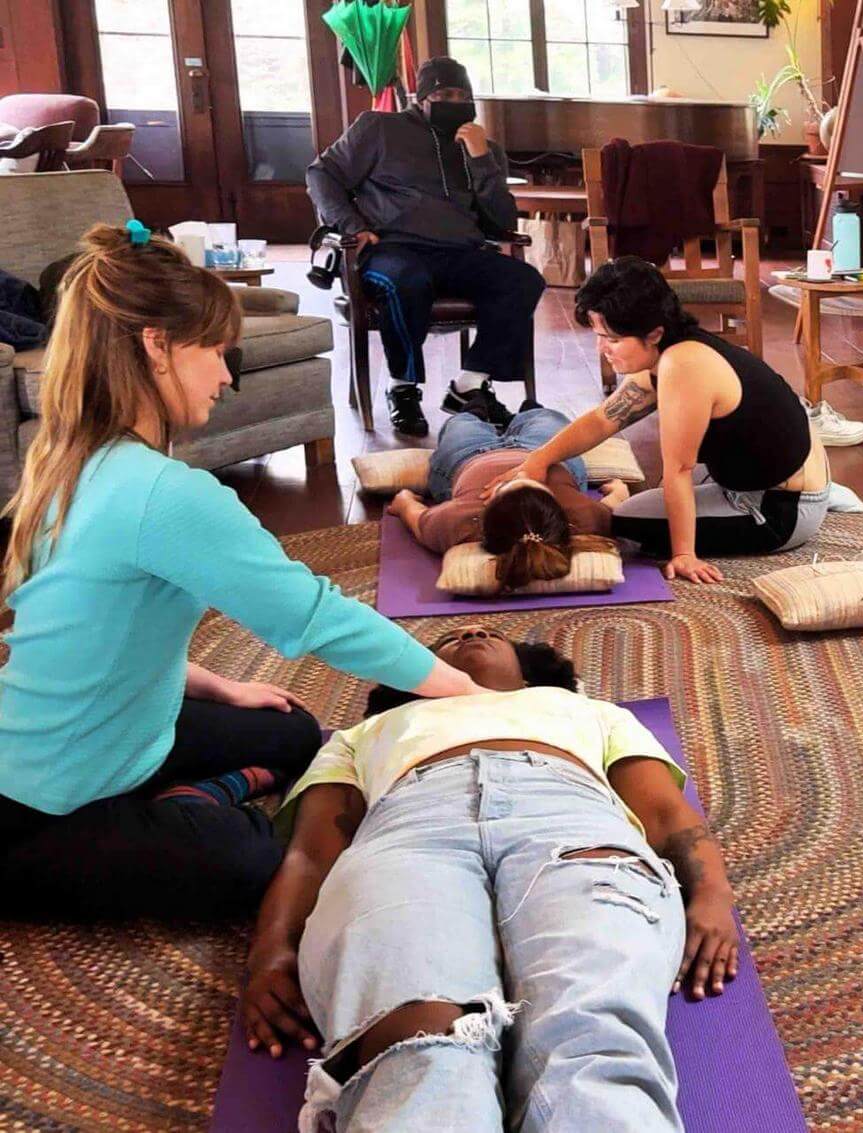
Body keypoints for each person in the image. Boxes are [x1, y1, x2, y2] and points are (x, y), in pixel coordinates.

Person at [0, 225, 485, 921]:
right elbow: (314, 614)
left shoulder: (77, 459)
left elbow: (105, 630)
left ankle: (175, 799)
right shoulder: (162, 494)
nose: (228, 376)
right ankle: (176, 811)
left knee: (291, 731)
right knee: (258, 858)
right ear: (156, 346)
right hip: (43, 802)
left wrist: (217, 685)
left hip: (124, 737)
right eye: (217, 353)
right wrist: (463, 690)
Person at [240, 626, 737, 1132]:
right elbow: (310, 853)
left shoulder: (592, 712)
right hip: (409, 830)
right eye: (449, 638)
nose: (473, 631)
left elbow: (665, 814)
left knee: (594, 1034)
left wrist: (713, 896)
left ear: (531, 669)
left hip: (571, 820)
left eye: (490, 632)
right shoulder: (364, 734)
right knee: (418, 1035)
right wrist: (271, 950)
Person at [484, 257, 831, 583]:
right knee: (667, 492)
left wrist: (684, 554)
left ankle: (644, 509)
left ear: (653, 333)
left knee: (625, 520)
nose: (602, 348)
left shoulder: (684, 366)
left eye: (613, 339)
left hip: (779, 509)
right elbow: (604, 420)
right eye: (600, 336)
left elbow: (678, 469)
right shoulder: (673, 348)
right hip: (772, 472)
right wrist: (539, 459)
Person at [306, 55, 543, 437]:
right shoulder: (380, 128)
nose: (456, 100)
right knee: (408, 280)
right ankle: (402, 387)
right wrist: (352, 225)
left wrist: (482, 160)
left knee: (523, 280)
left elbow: (502, 223)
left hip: (459, 253)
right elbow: (321, 174)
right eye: (444, 93)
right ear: (421, 98)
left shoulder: (484, 147)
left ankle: (469, 385)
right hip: (391, 249)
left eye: (464, 94)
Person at [386, 407, 628, 591]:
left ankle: (478, 408)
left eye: (505, 485)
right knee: (546, 416)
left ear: (486, 511)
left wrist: (404, 498)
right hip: (545, 450)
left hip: (468, 456)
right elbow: (618, 501)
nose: (518, 474)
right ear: (556, 505)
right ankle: (523, 410)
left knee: (461, 422)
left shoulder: (457, 521)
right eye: (532, 482)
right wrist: (618, 488)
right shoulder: (583, 516)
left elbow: (411, 513)